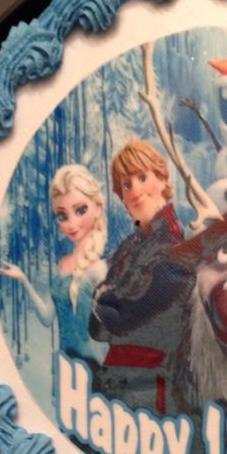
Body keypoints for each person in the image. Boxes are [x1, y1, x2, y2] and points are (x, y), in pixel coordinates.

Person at [89, 140, 193, 419]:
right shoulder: (126, 249)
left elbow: (127, 318)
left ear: (163, 180)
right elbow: (96, 329)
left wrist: (107, 299)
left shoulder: (175, 249)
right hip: (113, 382)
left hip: (153, 389)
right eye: (126, 185)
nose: (134, 190)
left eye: (142, 177)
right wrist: (110, 304)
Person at [0, 163, 107, 367]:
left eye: (80, 210)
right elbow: (47, 317)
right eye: (62, 216)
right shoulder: (63, 265)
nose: (72, 223)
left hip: (95, 367)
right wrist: (24, 280)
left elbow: (111, 332)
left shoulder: (100, 270)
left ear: (98, 208)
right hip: (66, 364)